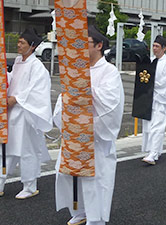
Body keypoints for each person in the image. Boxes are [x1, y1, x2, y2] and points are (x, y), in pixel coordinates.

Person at [53, 25, 124, 225]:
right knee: (69, 175)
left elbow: (111, 103)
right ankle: (80, 210)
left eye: (86, 43)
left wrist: (86, 90)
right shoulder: (77, 70)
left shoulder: (109, 71)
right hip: (75, 134)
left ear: (99, 45)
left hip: (95, 137)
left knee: (95, 181)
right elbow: (63, 97)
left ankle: (96, 218)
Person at [0, 28, 53, 198]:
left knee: (27, 150)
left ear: (32, 46)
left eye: (22, 42)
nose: (19, 45)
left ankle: (30, 186)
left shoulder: (37, 66)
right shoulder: (17, 61)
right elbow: (13, 80)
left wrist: (17, 99)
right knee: (7, 149)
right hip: (12, 112)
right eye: (19, 41)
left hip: (27, 113)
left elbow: (37, 89)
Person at [141, 35, 166, 165]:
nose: (154, 49)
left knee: (157, 126)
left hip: (161, 99)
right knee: (149, 126)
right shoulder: (150, 61)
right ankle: (153, 150)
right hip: (150, 99)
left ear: (164, 48)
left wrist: (152, 85)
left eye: (157, 46)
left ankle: (153, 153)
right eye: (153, 46)